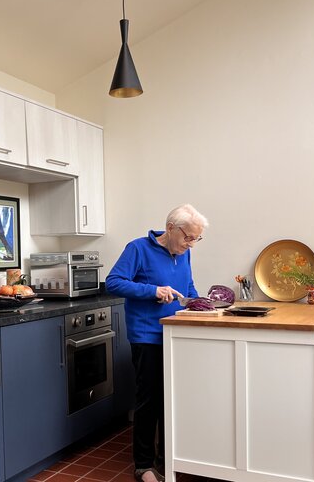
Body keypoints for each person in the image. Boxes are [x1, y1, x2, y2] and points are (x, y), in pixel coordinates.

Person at [105, 204, 209, 482]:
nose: (191, 244)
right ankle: (143, 465)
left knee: (171, 399)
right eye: (188, 237)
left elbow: (188, 290)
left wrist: (202, 305)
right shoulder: (138, 248)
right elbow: (113, 282)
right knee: (148, 400)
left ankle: (167, 458)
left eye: (196, 239)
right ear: (171, 228)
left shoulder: (183, 254)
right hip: (147, 336)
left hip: (176, 336)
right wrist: (153, 291)